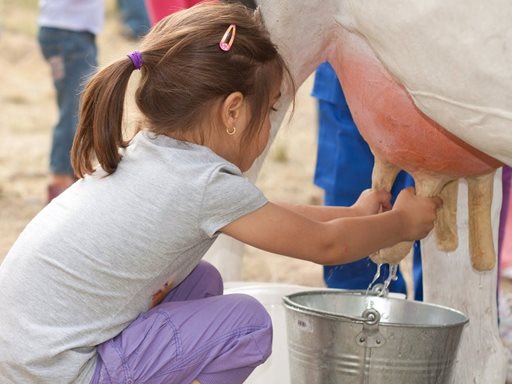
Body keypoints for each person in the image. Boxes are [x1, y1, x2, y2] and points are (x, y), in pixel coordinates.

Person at [0, 3, 441, 383]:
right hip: (64, 372)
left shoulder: (156, 153)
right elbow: (326, 246)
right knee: (247, 324)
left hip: (29, 359)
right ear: (232, 111)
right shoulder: (202, 183)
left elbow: (266, 214)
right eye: (269, 109)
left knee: (204, 280)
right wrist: (400, 224)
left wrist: (356, 212)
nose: (270, 125)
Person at [312, 62, 424, 300]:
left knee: (444, 218)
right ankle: (361, 316)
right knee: (356, 197)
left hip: (440, 69)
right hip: (354, 70)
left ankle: (446, 321)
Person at [37, 0, 105, 202]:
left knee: (75, 107)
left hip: (66, 30)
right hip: (69, 32)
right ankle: (60, 182)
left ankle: (69, 176)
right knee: (74, 109)